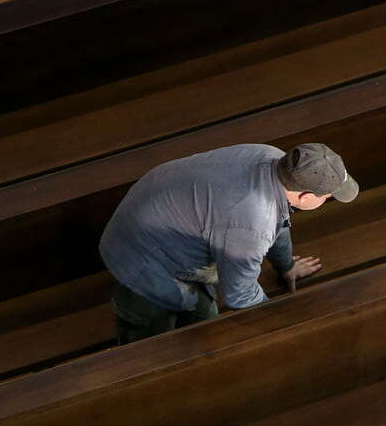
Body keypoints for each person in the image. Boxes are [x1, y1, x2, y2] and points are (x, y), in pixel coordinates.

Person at [99, 142, 358, 344]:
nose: (328, 199)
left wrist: (285, 265)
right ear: (306, 196)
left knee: (204, 321)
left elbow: (278, 220)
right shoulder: (250, 221)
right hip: (142, 258)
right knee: (150, 344)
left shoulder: (273, 159)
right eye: (328, 196)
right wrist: (281, 326)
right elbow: (240, 294)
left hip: (156, 217)